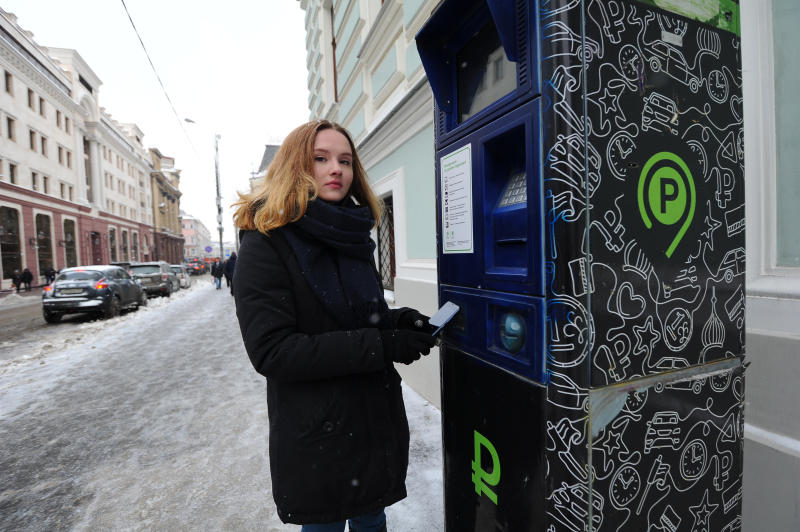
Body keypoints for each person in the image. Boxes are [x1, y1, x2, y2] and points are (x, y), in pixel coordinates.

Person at [232, 120, 437, 532]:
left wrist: (400, 321)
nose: (336, 169)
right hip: (318, 429)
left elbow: (359, 317)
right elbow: (273, 351)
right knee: (325, 525)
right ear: (294, 166)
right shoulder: (265, 241)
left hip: (370, 420)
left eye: (345, 160)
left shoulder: (352, 234)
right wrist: (383, 345)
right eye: (320, 159)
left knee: (371, 518)